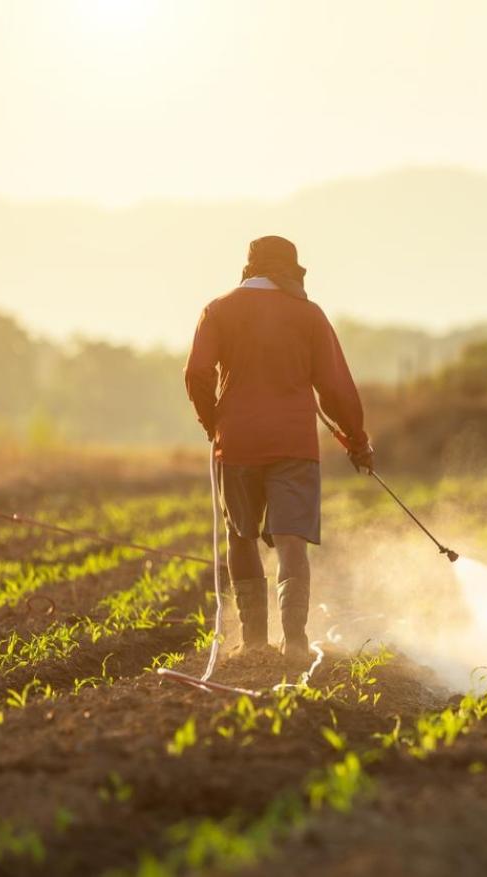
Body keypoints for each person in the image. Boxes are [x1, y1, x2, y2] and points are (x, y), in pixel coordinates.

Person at [184, 235, 373, 666]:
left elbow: (197, 373)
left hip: (237, 443)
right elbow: (336, 388)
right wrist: (358, 442)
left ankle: (252, 642)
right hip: (294, 444)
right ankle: (295, 642)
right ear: (290, 271)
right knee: (291, 544)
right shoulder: (308, 314)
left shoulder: (217, 309)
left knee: (241, 535)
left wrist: (213, 423)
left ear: (249, 268)